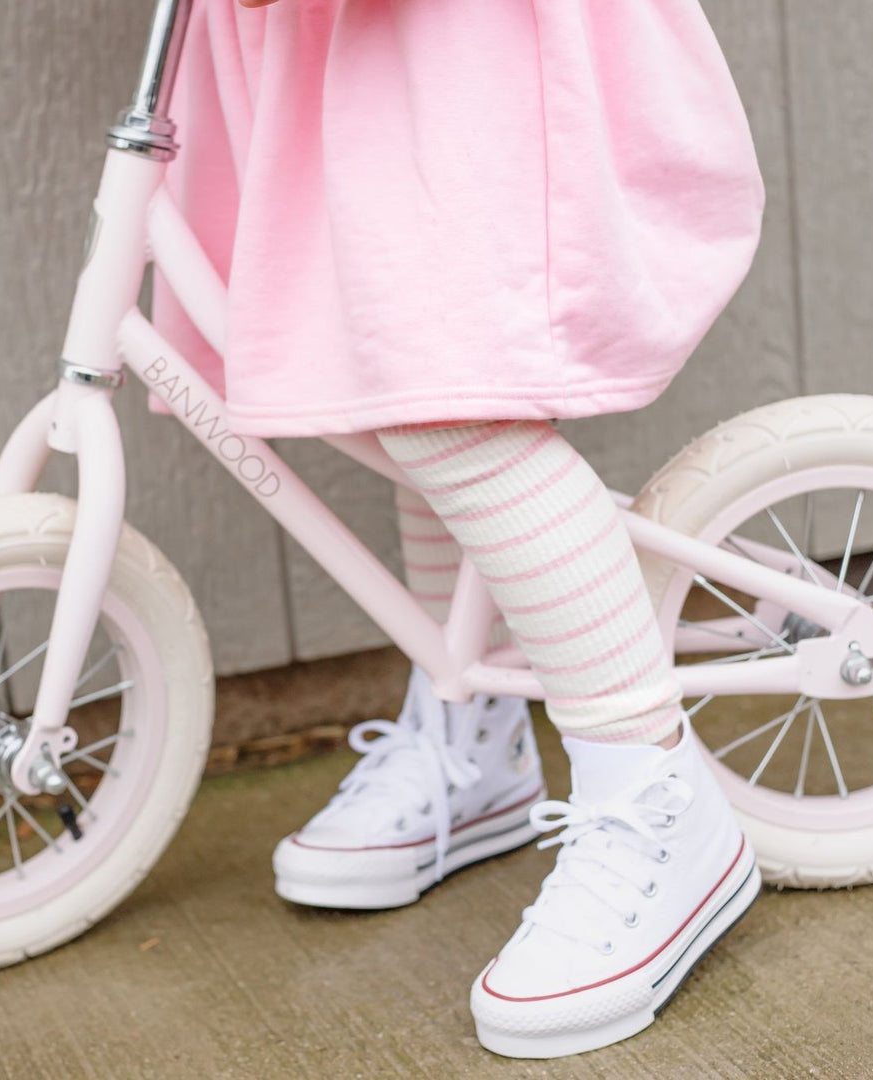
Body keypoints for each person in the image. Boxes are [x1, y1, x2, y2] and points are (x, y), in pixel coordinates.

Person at [154, 0, 764, 1059]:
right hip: (317, 43)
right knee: (396, 374)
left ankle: (654, 789)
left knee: (454, 403)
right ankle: (475, 728)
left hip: (445, 35)